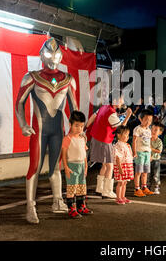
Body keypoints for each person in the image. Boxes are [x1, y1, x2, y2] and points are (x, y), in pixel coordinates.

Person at [15, 37, 79, 224]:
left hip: (57, 130)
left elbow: (74, 108)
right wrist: (23, 125)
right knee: (34, 167)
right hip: (38, 130)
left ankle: (57, 200)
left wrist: (77, 129)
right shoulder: (31, 76)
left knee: (55, 167)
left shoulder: (68, 79)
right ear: (42, 55)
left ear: (60, 55)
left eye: (56, 53)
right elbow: (19, 102)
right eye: (49, 53)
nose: (53, 57)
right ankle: (30, 205)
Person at [87, 93, 133, 199]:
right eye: (121, 99)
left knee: (104, 165)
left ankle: (100, 188)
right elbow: (121, 129)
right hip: (104, 141)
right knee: (110, 165)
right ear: (116, 100)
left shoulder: (104, 107)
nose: (122, 101)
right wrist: (128, 116)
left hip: (96, 138)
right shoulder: (111, 113)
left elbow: (94, 116)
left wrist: (86, 127)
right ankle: (107, 191)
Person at [61, 111, 93, 218]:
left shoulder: (82, 138)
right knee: (71, 188)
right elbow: (64, 154)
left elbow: (84, 154)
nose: (79, 128)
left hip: (82, 166)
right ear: (70, 125)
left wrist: (86, 166)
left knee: (81, 187)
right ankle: (72, 209)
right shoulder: (67, 139)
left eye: (82, 126)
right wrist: (65, 167)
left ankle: (81, 206)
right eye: (76, 126)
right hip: (72, 166)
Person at [132, 109, 154, 197]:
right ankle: (137, 189)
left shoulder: (149, 130)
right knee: (138, 172)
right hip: (139, 152)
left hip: (147, 153)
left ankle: (144, 187)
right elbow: (134, 141)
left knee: (145, 172)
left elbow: (149, 142)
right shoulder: (137, 129)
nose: (148, 122)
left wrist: (151, 153)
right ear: (141, 119)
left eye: (150, 120)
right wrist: (134, 152)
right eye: (146, 120)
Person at [113, 126, 134, 205]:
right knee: (120, 182)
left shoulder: (127, 145)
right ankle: (118, 197)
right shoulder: (118, 145)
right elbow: (117, 158)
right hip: (121, 165)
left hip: (127, 165)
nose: (127, 137)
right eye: (126, 135)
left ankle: (123, 196)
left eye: (128, 135)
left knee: (124, 182)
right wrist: (120, 168)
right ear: (119, 135)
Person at [149, 123, 164, 194]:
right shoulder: (148, 139)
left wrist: (151, 149)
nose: (153, 131)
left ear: (160, 132)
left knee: (156, 174)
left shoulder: (159, 141)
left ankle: (156, 187)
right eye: (152, 129)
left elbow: (159, 151)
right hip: (148, 159)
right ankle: (147, 187)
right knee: (148, 174)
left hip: (156, 160)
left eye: (155, 130)